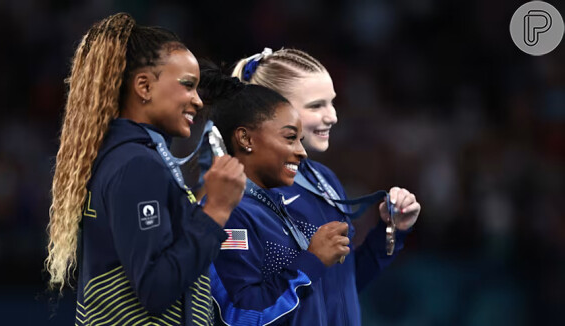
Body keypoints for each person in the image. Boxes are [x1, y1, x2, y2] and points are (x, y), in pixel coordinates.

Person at [44, 13, 246, 326]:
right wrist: (216, 211)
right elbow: (155, 288)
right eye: (188, 86)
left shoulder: (119, 157)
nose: (196, 100)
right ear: (144, 87)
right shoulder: (137, 165)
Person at [231, 48, 421, 325]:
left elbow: (340, 286)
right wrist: (312, 262)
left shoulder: (323, 179)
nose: (332, 116)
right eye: (316, 105)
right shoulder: (237, 194)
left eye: (332, 103)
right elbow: (240, 315)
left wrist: (391, 230)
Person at [198, 67, 351, 325]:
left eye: (301, 140)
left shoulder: (274, 207)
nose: (302, 151)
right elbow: (242, 316)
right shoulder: (229, 214)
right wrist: (312, 261)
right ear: (246, 138)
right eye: (290, 138)